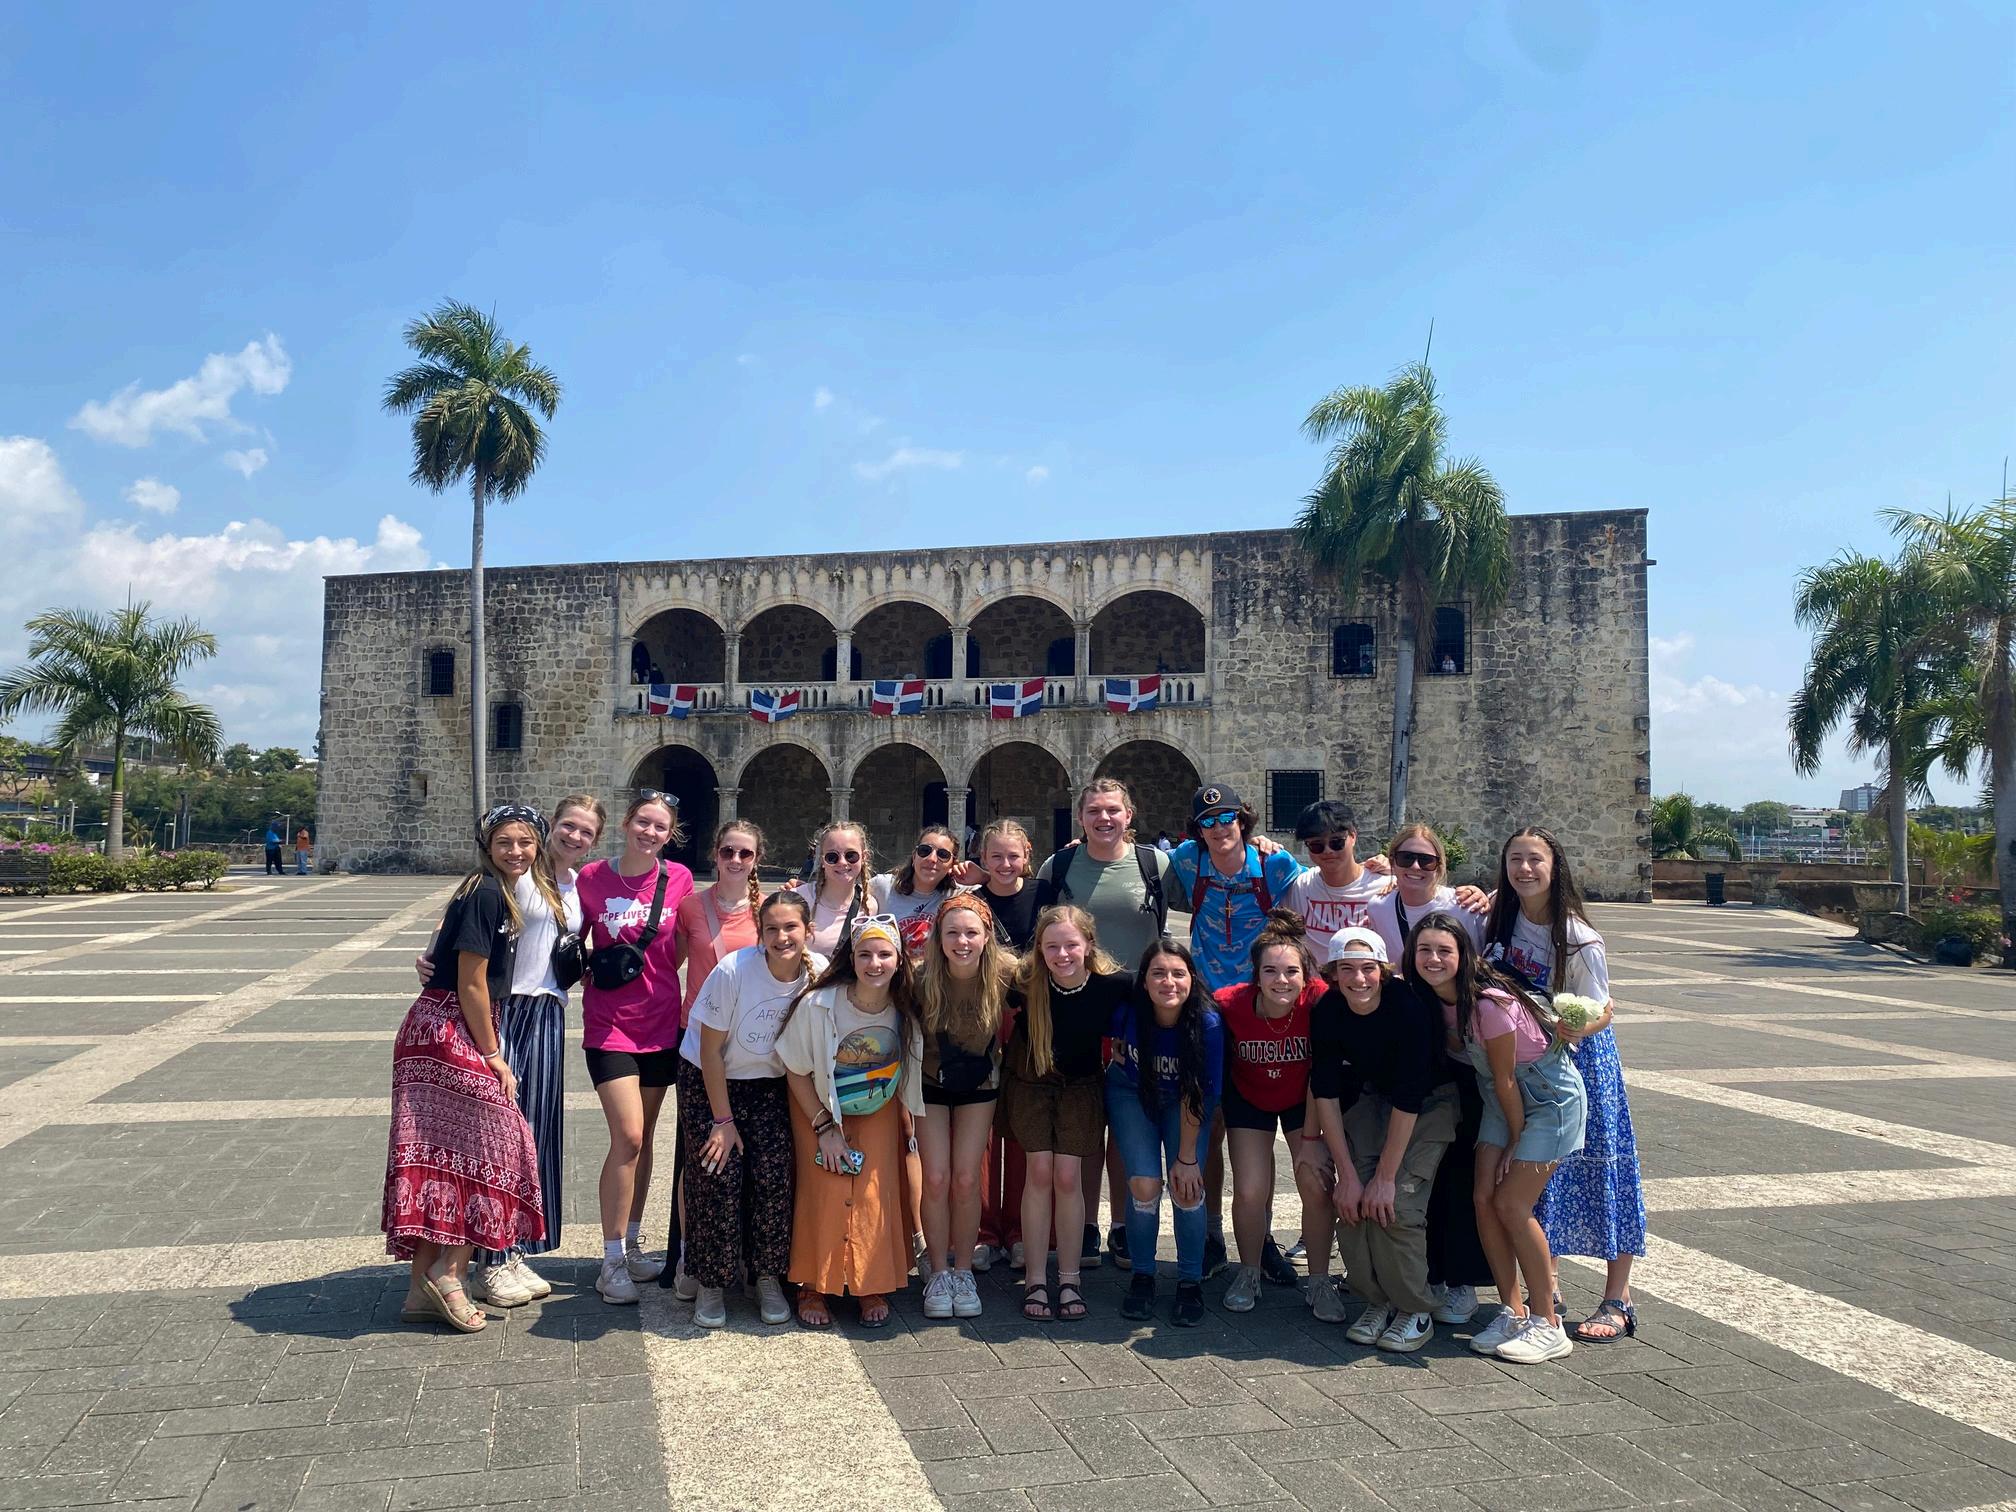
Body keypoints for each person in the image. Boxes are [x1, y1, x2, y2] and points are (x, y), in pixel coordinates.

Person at [412, 793, 605, 1310]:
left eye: (586, 831)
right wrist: (431, 956)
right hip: (504, 1010)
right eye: (568, 825)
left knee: (536, 1132)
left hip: (548, 1011)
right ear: (551, 827)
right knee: (499, 1134)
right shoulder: (512, 876)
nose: (575, 837)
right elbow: (460, 923)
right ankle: (489, 1259)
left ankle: (515, 1248)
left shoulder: (574, 884)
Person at [383, 804, 552, 1332]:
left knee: (441, 1154)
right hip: (449, 1026)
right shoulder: (486, 893)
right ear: (487, 846)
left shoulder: (486, 890)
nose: (516, 851)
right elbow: (472, 982)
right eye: (505, 842)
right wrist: (494, 1055)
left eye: (525, 842)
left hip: (434, 1024)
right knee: (493, 1146)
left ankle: (419, 1289)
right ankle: (449, 1273)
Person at [1484, 826, 1646, 1345]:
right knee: (1543, 1174)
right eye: (1515, 859)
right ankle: (1547, 1284)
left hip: (1583, 1063)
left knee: (1605, 1170)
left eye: (1535, 859)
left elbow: (1603, 1009)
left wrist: (1577, 1027)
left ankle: (1618, 1296)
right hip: (1531, 1064)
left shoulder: (1578, 937)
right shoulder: (1499, 918)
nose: (1524, 869)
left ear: (1556, 868)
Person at [1407, 912, 1587, 1364]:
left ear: (1463, 955)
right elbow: (1495, 1085)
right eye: (1424, 950)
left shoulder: (1489, 1003)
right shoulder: (1430, 1000)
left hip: (1546, 1100)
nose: (1433, 959)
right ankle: (1512, 1311)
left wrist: (1513, 1142)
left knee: (1511, 1205)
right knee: (1483, 1199)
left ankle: (1548, 1323)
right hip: (1500, 1100)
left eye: (1444, 950)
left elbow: (1507, 1079)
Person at [1028, 778, 1178, 1273]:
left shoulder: (1154, 865)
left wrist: (1257, 844)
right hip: (1081, 1011)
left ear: (1129, 815)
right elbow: (1035, 921)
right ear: (1081, 818)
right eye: (1094, 810)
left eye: (1113, 809)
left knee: (1129, 1123)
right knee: (1087, 1122)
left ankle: (1122, 1225)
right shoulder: (1060, 866)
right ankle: (1087, 1224)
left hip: (1138, 1010)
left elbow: (1210, 878)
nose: (1104, 818)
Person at [1168, 783, 1302, 1279]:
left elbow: (1324, 887)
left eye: (1226, 818)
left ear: (1242, 820)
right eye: (1207, 822)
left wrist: (1376, 871)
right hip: (1206, 1011)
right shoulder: (1188, 860)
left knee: (1257, 1129)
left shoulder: (1275, 865)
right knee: (1209, 1123)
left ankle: (1260, 1238)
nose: (1218, 827)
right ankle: (1210, 1236)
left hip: (1258, 1010)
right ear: (1197, 831)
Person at [676, 890, 826, 1328]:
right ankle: (711, 1281)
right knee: (717, 1175)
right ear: (760, 933)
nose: (782, 937)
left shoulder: (816, 974)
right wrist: (722, 1122)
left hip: (769, 1084)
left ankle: (766, 1276)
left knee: (773, 1177)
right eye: (772, 928)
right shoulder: (734, 970)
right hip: (710, 1080)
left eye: (791, 927)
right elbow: (709, 1052)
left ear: (808, 930)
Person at [1305, 926, 1458, 1349]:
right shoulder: (1328, 1009)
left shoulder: (1407, 1007)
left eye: (1368, 968)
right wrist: (1348, 1175)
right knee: (1352, 1204)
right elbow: (1325, 1091)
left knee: (1397, 1205)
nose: (1359, 979)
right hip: (1371, 1101)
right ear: (1333, 974)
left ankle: (1414, 1308)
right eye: (1347, 969)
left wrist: (1386, 1177)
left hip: (1427, 1103)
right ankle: (1377, 1300)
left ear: (1382, 970)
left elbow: (1411, 1096)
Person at [776, 915, 925, 1328]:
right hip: (818, 1106)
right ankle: (812, 1284)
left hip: (878, 1109)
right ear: (851, 958)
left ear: (899, 960)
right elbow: (795, 1069)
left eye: (884, 954)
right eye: (865, 954)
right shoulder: (819, 1004)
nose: (875, 963)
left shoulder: (906, 1008)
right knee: (824, 1188)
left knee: (874, 1191)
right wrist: (824, 1127)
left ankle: (869, 1282)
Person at [575, 791, 695, 1304]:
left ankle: (632, 1241)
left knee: (642, 1140)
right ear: (626, 823)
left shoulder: (679, 879)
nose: (650, 832)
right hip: (608, 1026)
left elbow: (681, 948)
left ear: (669, 835)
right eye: (643, 822)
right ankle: (610, 1260)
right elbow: (564, 933)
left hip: (660, 1024)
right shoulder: (590, 878)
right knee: (626, 1136)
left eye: (660, 827)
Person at [999, 905, 1132, 1320]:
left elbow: (1158, 1000)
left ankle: (1070, 1278)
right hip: (1032, 1084)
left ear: (1088, 945)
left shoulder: (1113, 984)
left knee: (1068, 1176)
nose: (1062, 955)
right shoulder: (1025, 982)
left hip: (1081, 1087)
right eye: (1051, 946)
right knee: (1039, 1172)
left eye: (1071, 945)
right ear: (1039, 948)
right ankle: (1036, 1278)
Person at [1107, 937, 1224, 1327]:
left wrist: (1187, 1159)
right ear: (1143, 981)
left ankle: (1190, 1281)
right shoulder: (1128, 1012)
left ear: (1192, 978)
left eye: (1178, 973)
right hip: (1131, 1092)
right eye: (1158, 973)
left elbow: (1198, 1093)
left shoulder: (1206, 1023)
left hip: (1185, 1101)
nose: (1168, 982)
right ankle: (1143, 1275)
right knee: (1143, 1183)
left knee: (1186, 1186)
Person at [1213, 909, 1325, 1312]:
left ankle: (1319, 1281)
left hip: (1302, 1099)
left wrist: (1311, 1139)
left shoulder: (1319, 1000)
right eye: (1270, 971)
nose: (1282, 980)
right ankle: (1250, 1271)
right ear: (1255, 976)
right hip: (1249, 1096)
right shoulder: (1229, 1003)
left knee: (1315, 1183)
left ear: (1305, 975)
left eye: (1291, 971)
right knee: (1249, 1189)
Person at [915, 893, 1012, 1319]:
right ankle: (938, 1271)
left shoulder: (1006, 972)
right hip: (929, 1082)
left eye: (971, 932)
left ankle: (963, 1269)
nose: (962, 941)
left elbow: (1061, 975)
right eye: (952, 932)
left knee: (967, 1178)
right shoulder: (920, 976)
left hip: (980, 1081)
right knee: (936, 1177)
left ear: (987, 936)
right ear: (938, 937)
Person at [678, 819, 766, 999]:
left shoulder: (769, 910)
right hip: (697, 1015)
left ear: (756, 859)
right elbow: (670, 965)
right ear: (715, 854)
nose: (735, 860)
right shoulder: (690, 906)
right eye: (727, 852)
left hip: (744, 1014)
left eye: (746, 854)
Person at [1279, 800, 1390, 935]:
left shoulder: (1385, 887)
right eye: (1316, 845)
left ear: (1353, 836)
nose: (1328, 851)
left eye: (1336, 842)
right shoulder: (1300, 887)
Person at [872, 825, 961, 958]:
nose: (931, 859)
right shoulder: (883, 886)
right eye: (924, 851)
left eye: (943, 855)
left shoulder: (956, 894)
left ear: (953, 864)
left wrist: (983, 876)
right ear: (914, 857)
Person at [794, 821, 874, 958]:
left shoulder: (870, 906)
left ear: (864, 857)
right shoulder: (798, 900)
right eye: (832, 857)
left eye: (851, 855)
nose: (842, 862)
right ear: (822, 861)